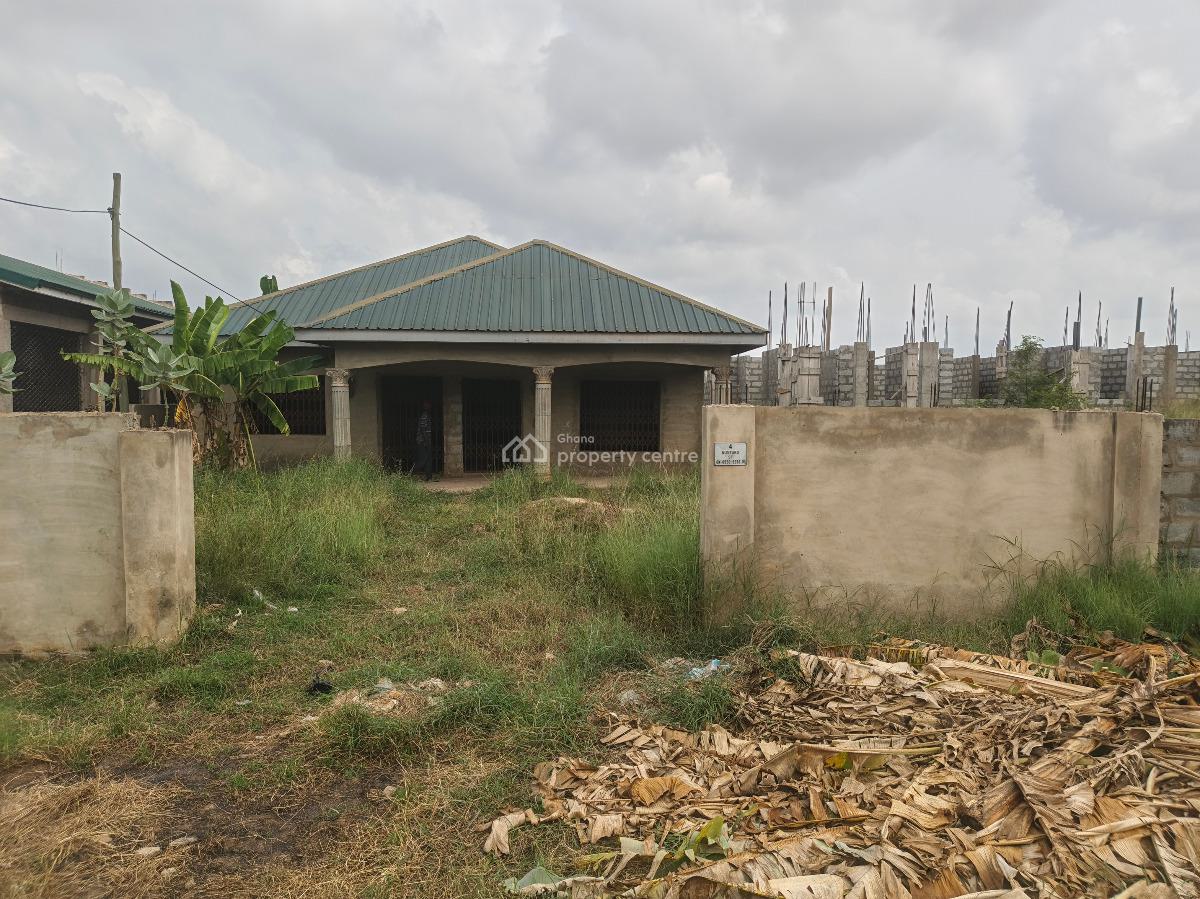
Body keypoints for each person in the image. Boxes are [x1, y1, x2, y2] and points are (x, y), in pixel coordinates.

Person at [413, 399, 433, 481]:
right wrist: (426, 442)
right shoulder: (424, 416)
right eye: (426, 404)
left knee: (427, 459)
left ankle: (429, 477)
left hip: (425, 441)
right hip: (422, 441)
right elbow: (423, 429)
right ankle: (411, 474)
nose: (428, 406)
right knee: (423, 460)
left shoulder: (426, 415)